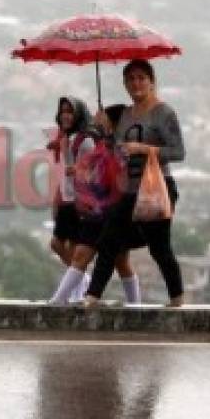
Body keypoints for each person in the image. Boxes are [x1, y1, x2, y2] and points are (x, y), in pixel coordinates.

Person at [83, 59, 186, 307]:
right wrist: (104, 130)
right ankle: (92, 296)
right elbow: (117, 150)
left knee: (159, 248)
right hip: (129, 189)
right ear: (125, 84)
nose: (136, 83)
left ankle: (177, 297)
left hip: (156, 189)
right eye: (130, 79)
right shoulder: (125, 114)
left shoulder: (164, 112)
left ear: (151, 82)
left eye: (141, 78)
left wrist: (144, 148)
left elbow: (178, 152)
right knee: (108, 241)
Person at [47, 99, 141, 305]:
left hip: (110, 209)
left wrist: (78, 170)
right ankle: (59, 300)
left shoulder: (118, 146)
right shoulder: (97, 142)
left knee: (120, 260)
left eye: (105, 118)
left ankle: (135, 305)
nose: (99, 120)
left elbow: (99, 173)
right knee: (80, 254)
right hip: (94, 210)